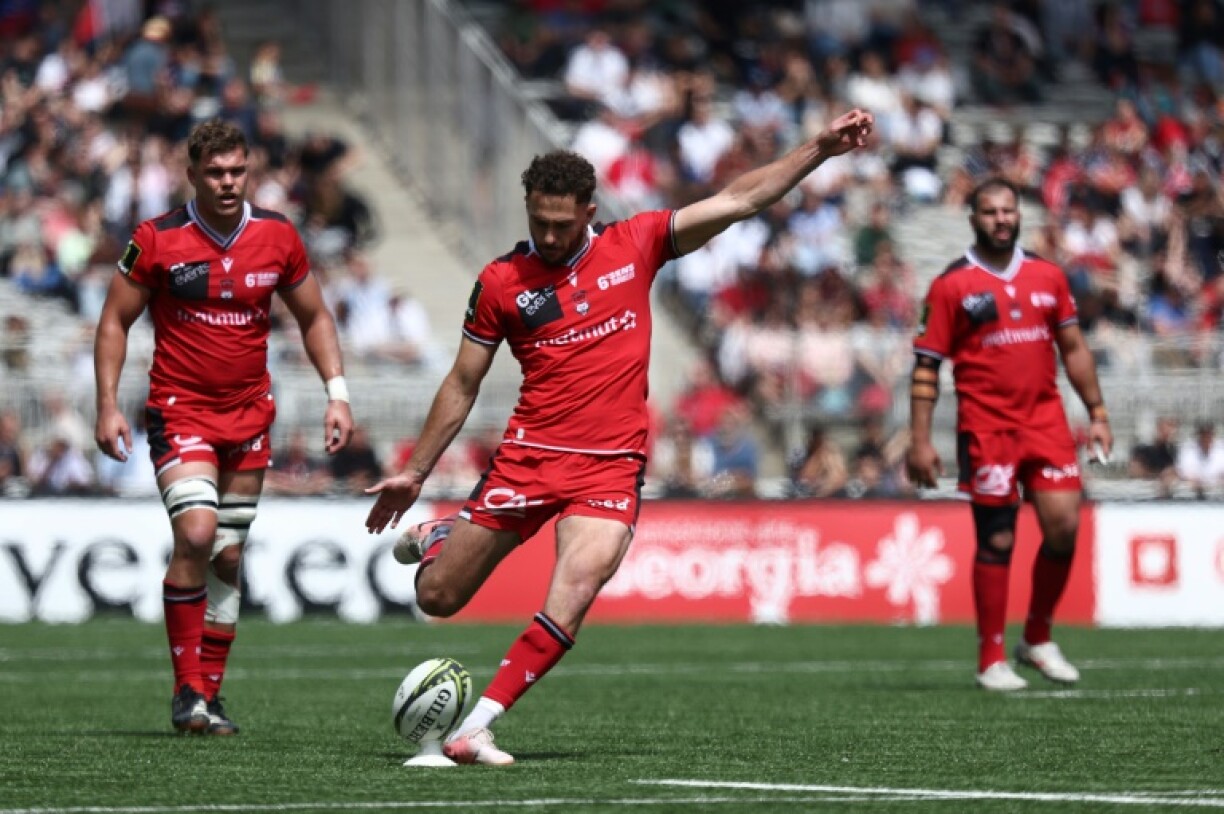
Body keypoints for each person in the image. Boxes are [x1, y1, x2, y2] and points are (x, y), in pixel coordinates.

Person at [365, 109, 875, 764]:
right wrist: (416, 471)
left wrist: (820, 150)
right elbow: (462, 384)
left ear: (589, 210)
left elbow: (739, 198)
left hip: (610, 468)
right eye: (537, 221)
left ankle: (476, 725)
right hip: (529, 458)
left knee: (573, 593)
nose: (548, 235)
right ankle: (443, 536)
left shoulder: (636, 244)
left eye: (561, 222)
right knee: (436, 596)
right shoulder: (499, 283)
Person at [94, 119, 354, 735]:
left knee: (229, 556)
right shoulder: (157, 239)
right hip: (180, 411)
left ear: (250, 171)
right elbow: (112, 322)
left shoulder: (277, 236)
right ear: (192, 175)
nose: (228, 182)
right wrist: (107, 403)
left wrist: (336, 393)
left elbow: (315, 316)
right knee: (198, 533)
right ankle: (187, 689)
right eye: (215, 172)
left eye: (238, 171)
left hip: (250, 415)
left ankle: (208, 699)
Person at [906, 178, 1113, 692]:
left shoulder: (1047, 275)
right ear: (972, 219)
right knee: (997, 539)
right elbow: (926, 367)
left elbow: (1075, 348)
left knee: (1064, 526)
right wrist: (919, 440)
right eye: (990, 212)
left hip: (1046, 422)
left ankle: (1037, 637)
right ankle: (990, 657)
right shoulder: (950, 285)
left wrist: (1098, 411)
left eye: (1008, 211)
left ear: (1019, 216)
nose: (1001, 219)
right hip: (987, 428)